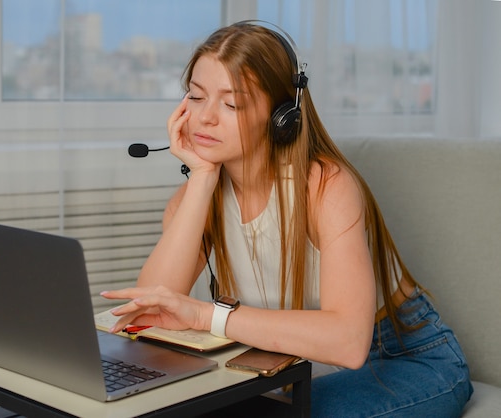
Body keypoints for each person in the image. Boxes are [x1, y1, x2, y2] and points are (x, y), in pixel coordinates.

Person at [101, 21, 473, 416]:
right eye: (195, 96)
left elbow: (348, 342)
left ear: (283, 115)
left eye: (231, 104)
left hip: (405, 354)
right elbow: (149, 309)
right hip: (298, 358)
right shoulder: (193, 200)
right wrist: (203, 177)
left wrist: (208, 315)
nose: (205, 117)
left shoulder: (324, 185)